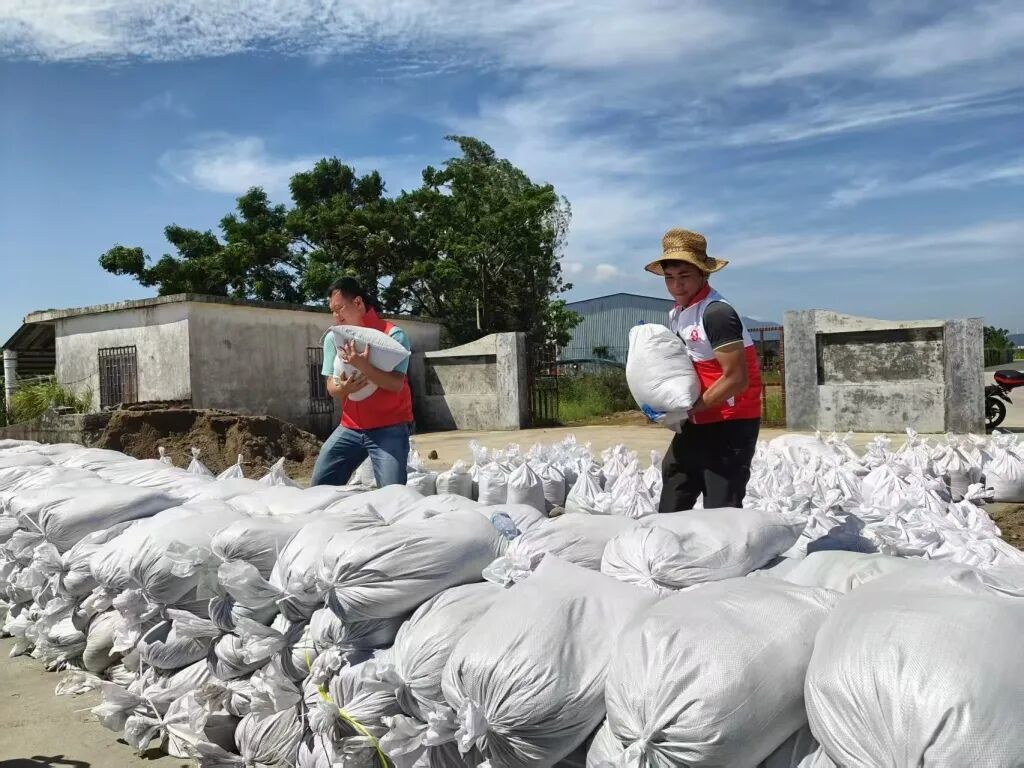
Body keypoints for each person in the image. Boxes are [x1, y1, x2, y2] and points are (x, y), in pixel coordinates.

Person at [645, 228, 763, 512]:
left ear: (703, 274)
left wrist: (689, 410)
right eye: (669, 278)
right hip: (697, 419)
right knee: (675, 485)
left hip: (730, 423)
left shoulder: (717, 314)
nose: (677, 286)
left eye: (684, 277)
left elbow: (736, 378)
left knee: (721, 508)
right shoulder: (677, 313)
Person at [310, 276, 413, 487]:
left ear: (358, 303)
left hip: (389, 428)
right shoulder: (333, 338)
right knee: (319, 486)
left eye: (339, 309)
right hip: (350, 428)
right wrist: (344, 388)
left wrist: (362, 365)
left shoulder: (393, 336)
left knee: (393, 495)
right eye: (332, 310)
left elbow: (395, 384)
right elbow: (331, 386)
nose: (335, 316)